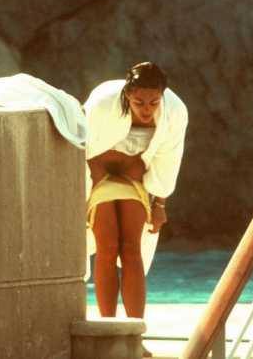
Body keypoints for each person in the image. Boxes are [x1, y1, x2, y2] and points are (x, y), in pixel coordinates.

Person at [84, 62, 188, 335]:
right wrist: (79, 193)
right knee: (107, 247)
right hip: (98, 175)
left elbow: (169, 158)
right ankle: (108, 332)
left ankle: (135, 335)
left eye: (154, 102)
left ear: (162, 95)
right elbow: (80, 144)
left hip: (134, 179)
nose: (146, 109)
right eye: (139, 102)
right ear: (128, 94)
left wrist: (160, 204)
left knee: (131, 249)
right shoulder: (104, 103)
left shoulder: (174, 111)